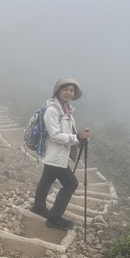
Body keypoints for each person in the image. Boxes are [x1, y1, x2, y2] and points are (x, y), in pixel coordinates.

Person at [31, 77, 90, 230]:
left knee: (46, 180)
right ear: (58, 91)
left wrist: (79, 138)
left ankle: (38, 207)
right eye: (65, 89)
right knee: (71, 184)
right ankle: (54, 217)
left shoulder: (66, 110)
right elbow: (55, 136)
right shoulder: (52, 110)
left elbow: (68, 132)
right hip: (55, 156)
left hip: (56, 155)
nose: (68, 93)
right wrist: (76, 138)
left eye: (71, 90)